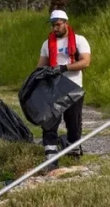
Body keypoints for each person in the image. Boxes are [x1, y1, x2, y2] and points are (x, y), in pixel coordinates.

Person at [37, 10, 91, 163]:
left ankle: (74, 153)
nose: (55, 28)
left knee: (73, 122)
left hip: (73, 87)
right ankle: (50, 155)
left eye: (58, 25)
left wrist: (63, 68)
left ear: (66, 23)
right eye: (53, 25)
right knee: (50, 122)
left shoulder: (80, 40)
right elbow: (40, 67)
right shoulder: (47, 44)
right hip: (53, 88)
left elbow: (85, 62)